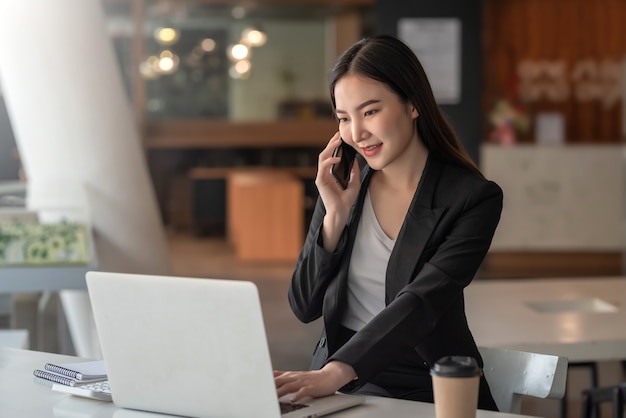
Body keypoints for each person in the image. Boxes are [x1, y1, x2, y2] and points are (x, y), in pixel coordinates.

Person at [274, 34, 502, 411]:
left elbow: (422, 301)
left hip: (426, 387)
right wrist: (334, 218)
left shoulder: (472, 198)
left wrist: (336, 371)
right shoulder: (344, 185)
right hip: (338, 387)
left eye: (370, 112)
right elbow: (303, 304)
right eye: (344, 118)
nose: (356, 133)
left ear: (413, 104)